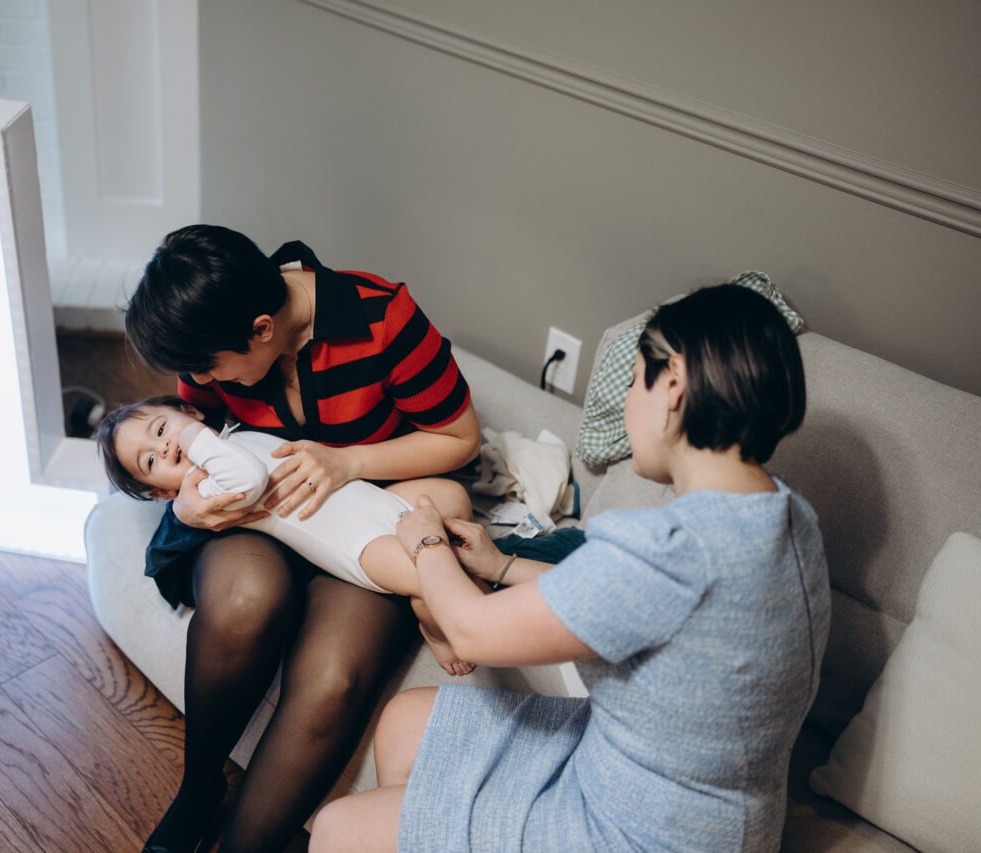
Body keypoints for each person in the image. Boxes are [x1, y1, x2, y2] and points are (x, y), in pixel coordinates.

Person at [309, 283, 832, 853]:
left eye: (635, 381)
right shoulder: (787, 513)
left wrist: (426, 542)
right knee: (409, 721)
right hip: (688, 795)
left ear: (673, 385)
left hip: (643, 830)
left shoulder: (669, 547)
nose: (627, 405)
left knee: (340, 829)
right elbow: (624, 597)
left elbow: (470, 631)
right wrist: (500, 563)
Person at [121, 225, 482, 853]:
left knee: (332, 676)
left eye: (207, 366)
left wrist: (349, 462)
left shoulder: (384, 320)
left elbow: (460, 438)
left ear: (262, 330)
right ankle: (200, 786)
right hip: (262, 517)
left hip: (358, 510)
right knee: (245, 598)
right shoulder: (209, 334)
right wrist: (188, 507)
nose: (197, 378)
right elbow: (197, 439)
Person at [95, 395, 484, 675]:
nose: (165, 447)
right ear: (163, 493)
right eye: (151, 461)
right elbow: (249, 477)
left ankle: (463, 582)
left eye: (161, 429)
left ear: (190, 410)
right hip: (360, 546)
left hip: (377, 501)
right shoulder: (210, 489)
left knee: (452, 495)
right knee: (428, 577)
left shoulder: (234, 438)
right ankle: (437, 631)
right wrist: (191, 437)